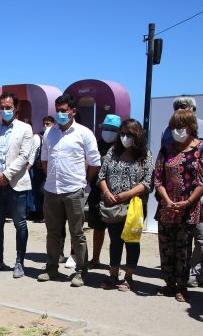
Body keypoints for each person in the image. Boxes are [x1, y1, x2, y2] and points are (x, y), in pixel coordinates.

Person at [160, 96, 203, 287]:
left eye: (185, 107)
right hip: (173, 196)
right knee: (174, 239)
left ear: (194, 110)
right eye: (178, 107)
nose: (181, 110)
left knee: (202, 236)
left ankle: (196, 273)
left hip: (200, 194)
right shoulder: (168, 130)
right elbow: (163, 160)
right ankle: (175, 276)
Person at [37, 93, 101, 286]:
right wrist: (50, 179)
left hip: (74, 190)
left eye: (64, 111)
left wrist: (83, 182)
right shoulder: (50, 133)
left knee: (77, 233)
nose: (60, 114)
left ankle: (81, 271)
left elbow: (95, 162)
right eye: (58, 111)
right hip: (51, 190)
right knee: (53, 232)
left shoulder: (84, 133)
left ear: (73, 111)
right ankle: (52, 268)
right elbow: (45, 160)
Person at [154, 110, 203, 302]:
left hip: (188, 208)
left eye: (181, 126)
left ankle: (182, 286)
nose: (178, 131)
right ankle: (169, 283)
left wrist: (187, 202)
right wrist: (167, 201)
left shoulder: (202, 150)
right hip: (167, 207)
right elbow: (158, 179)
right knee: (166, 246)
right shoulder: (166, 150)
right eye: (174, 127)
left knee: (183, 248)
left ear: (191, 126)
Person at [97, 118, 153, 291]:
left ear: (137, 135)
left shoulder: (145, 155)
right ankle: (113, 274)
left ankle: (128, 276)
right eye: (122, 134)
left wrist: (126, 195)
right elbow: (101, 176)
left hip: (133, 206)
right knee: (115, 240)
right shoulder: (113, 151)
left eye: (128, 134)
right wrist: (107, 192)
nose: (124, 137)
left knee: (131, 241)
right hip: (113, 205)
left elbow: (147, 183)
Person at [0, 92, 33, 278]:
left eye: (8, 107)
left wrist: (7, 175)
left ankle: (19, 262)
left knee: (20, 224)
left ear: (16, 108)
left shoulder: (25, 129)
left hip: (16, 183)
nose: (5, 110)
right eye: (2, 107)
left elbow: (24, 156)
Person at [87, 114, 121, 269]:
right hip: (96, 192)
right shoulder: (94, 145)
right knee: (98, 228)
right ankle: (95, 259)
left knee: (116, 231)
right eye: (106, 128)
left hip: (117, 194)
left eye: (113, 129)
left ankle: (116, 264)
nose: (109, 132)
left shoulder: (122, 149)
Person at [26, 116, 53, 222]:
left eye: (48, 124)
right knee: (37, 191)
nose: (46, 126)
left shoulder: (55, 136)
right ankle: (36, 212)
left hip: (50, 170)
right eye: (44, 124)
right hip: (39, 169)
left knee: (44, 192)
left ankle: (43, 214)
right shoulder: (39, 136)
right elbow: (33, 154)